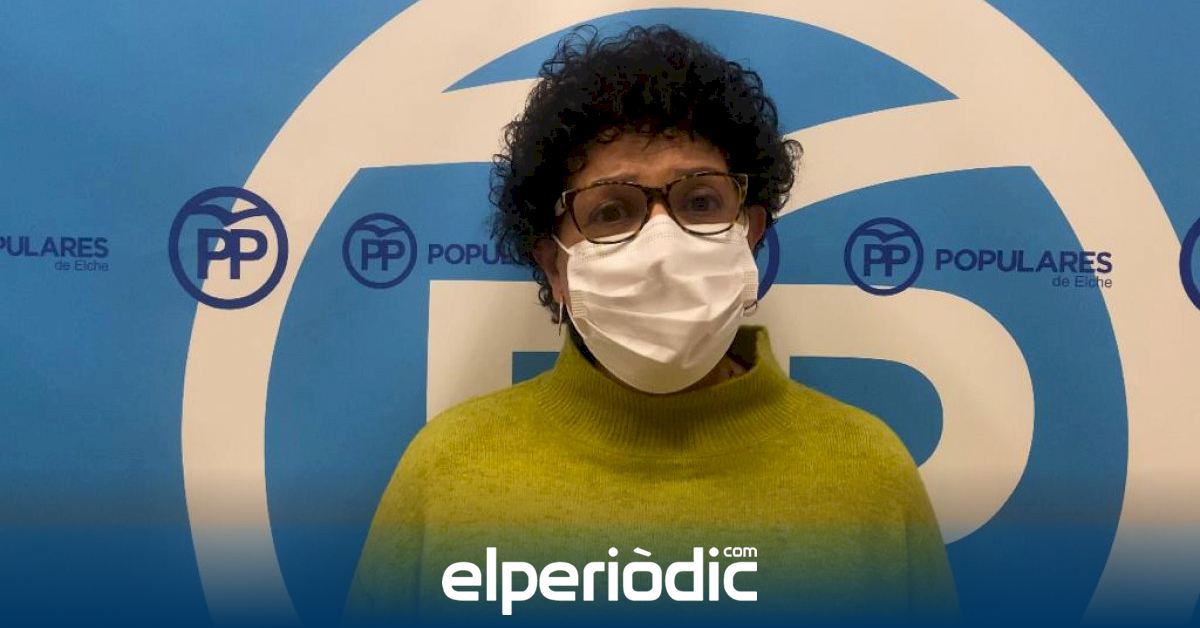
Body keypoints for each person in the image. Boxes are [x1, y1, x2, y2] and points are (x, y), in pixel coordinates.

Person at [344, 24, 956, 626]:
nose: (663, 247)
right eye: (613, 210)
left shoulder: (869, 475)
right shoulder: (448, 475)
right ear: (555, 265)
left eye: (700, 201)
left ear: (749, 233)